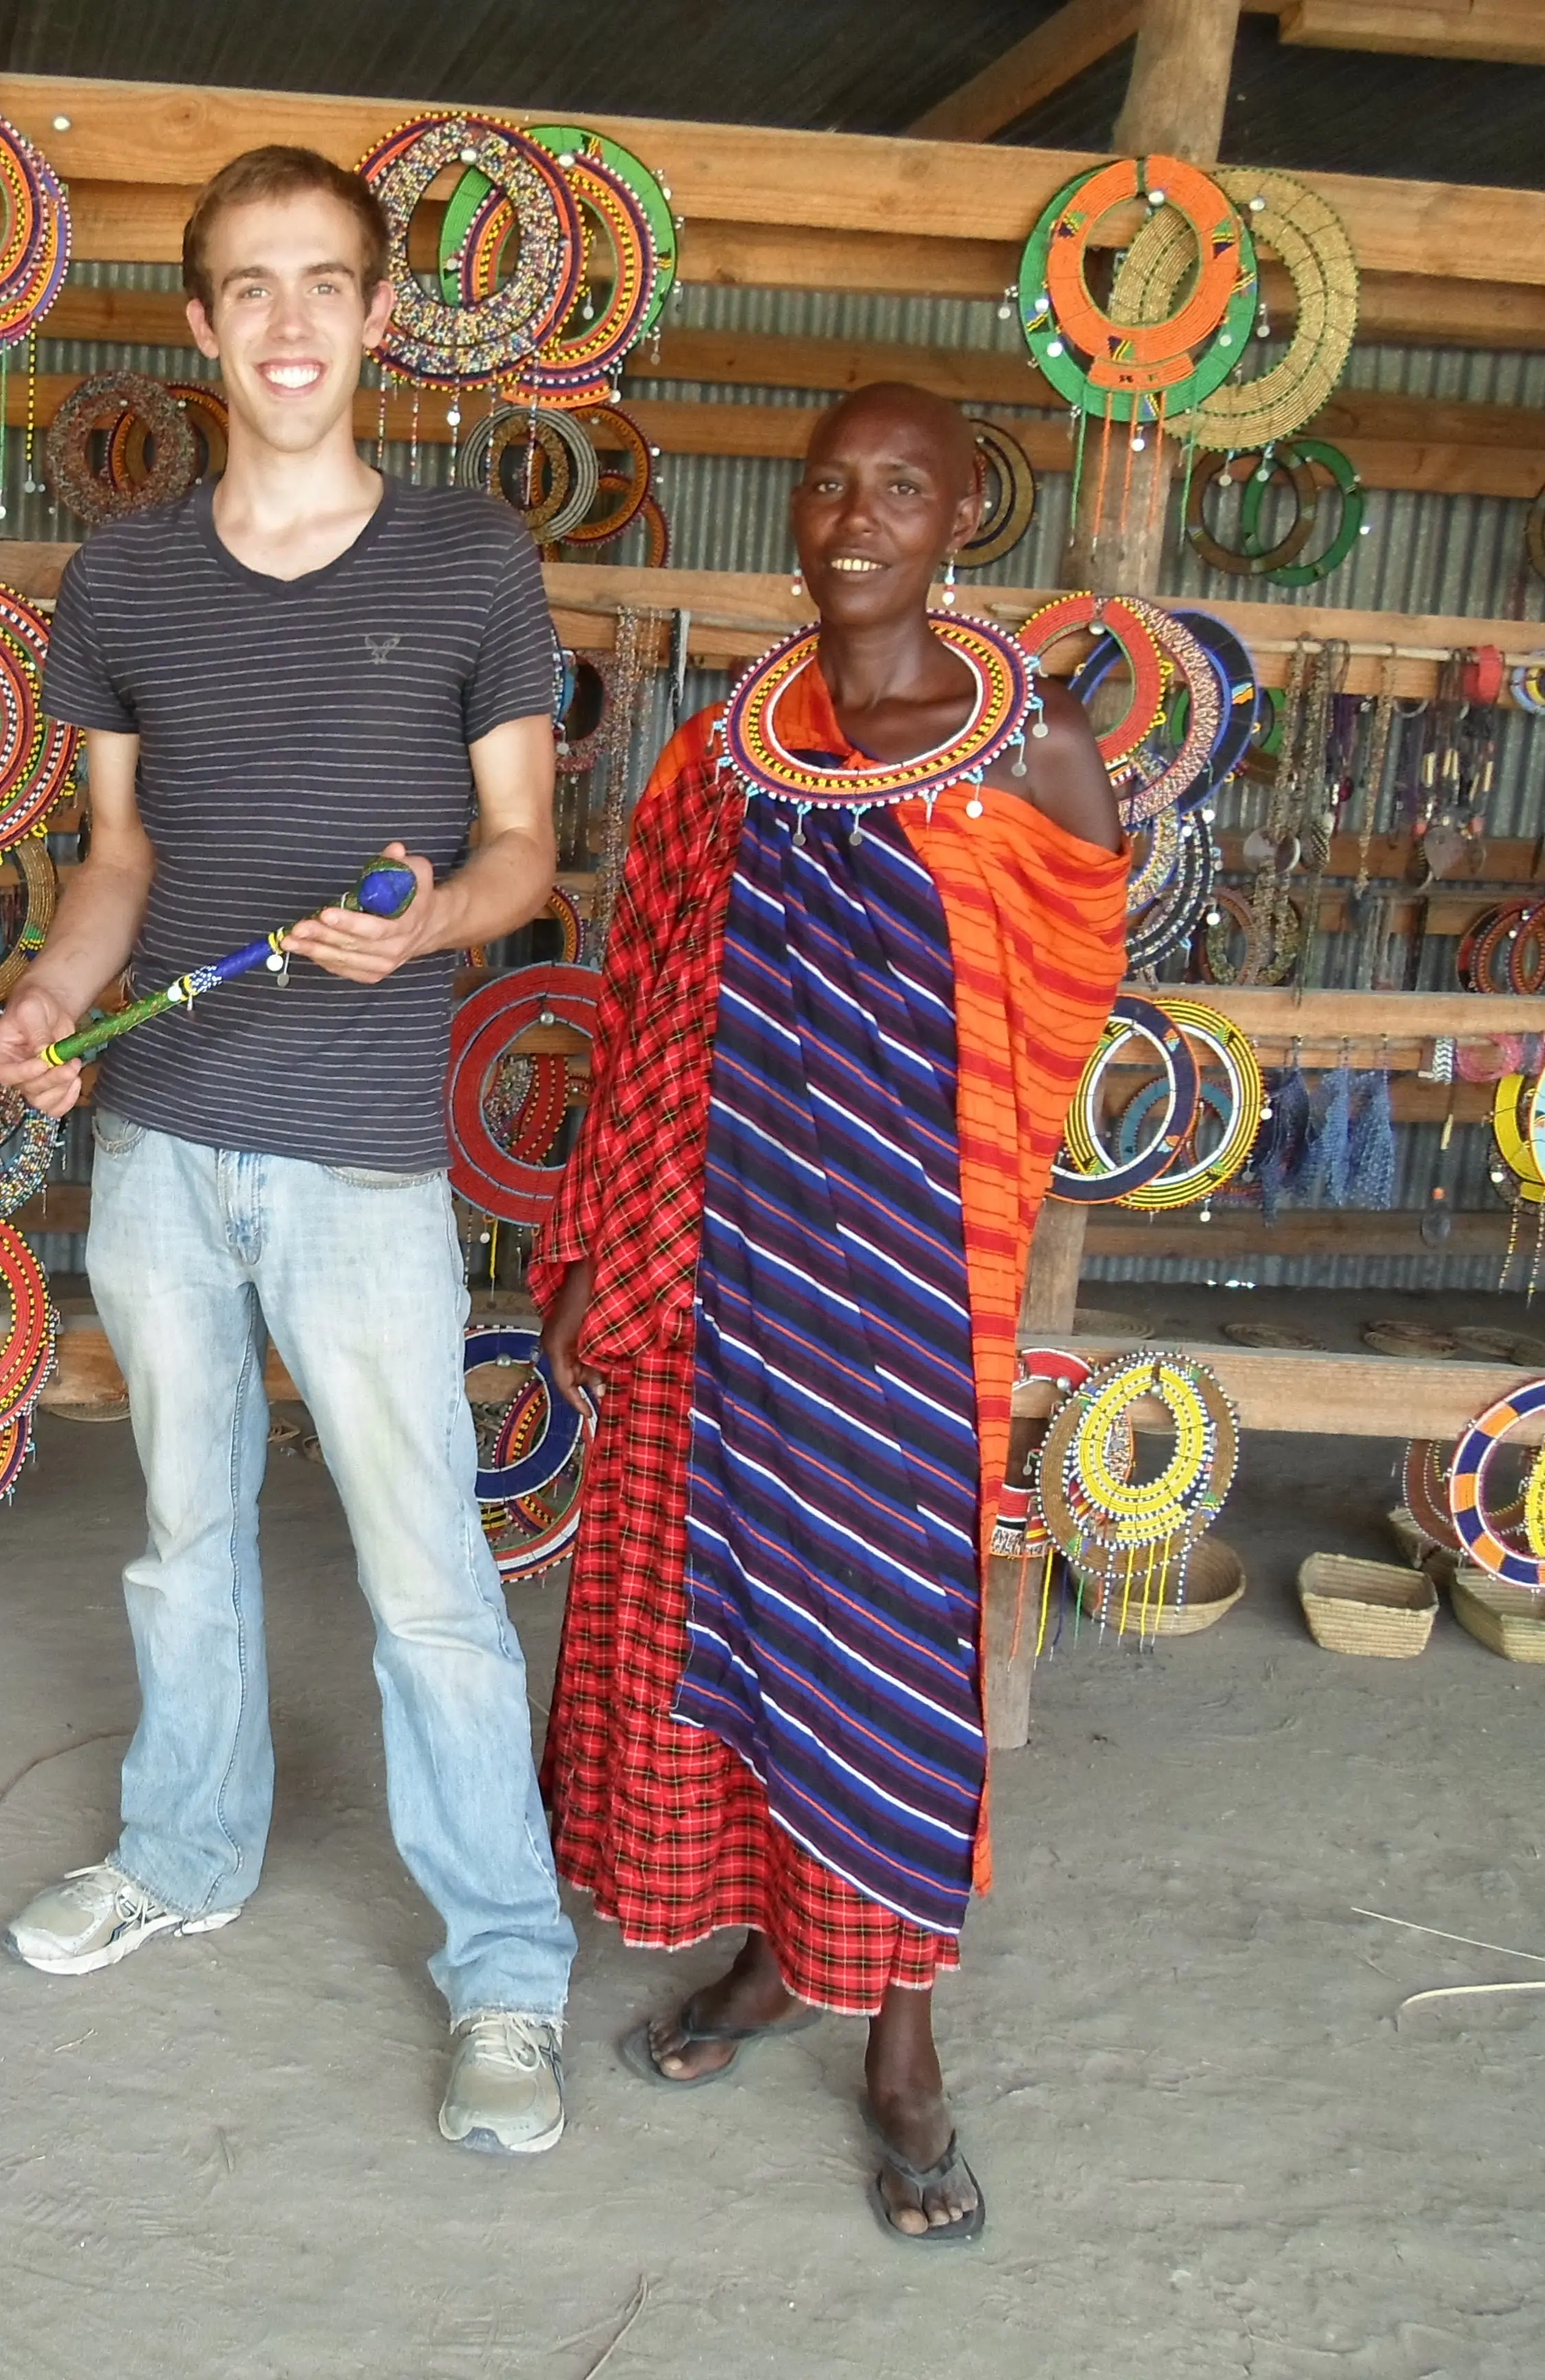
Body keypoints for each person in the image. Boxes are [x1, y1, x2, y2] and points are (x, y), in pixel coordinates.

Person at [0, 145, 577, 2157]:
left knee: (428, 1583)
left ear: (386, 315)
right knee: (183, 1537)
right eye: (253, 286)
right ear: (200, 326)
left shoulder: (470, 559)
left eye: (329, 283)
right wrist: (57, 1006)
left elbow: (523, 853)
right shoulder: (127, 579)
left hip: (361, 1167)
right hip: (163, 1147)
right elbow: (118, 860)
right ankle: (185, 1851)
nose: (295, 321)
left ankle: (506, 1973)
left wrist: (424, 924)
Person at [537, 382, 1126, 2242]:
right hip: (711, 1276)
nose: (855, 516)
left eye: (900, 488)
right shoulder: (726, 753)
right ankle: (779, 1959)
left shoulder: (1036, 755)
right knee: (720, 1625)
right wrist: (598, 1254)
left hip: (891, 1308)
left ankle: (904, 2045)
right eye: (828, 485)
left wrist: (894, 1178)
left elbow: (1051, 1022)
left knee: (882, 1656)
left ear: (965, 518)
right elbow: (642, 1011)